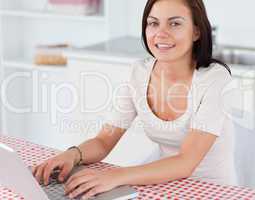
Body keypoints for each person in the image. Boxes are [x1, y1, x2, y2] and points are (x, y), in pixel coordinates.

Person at [32, 0, 237, 199]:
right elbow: (104, 140)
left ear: (196, 31)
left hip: (214, 189)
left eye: (175, 23)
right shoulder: (138, 73)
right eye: (153, 23)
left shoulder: (215, 79)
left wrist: (116, 176)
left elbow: (186, 162)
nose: (161, 33)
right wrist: (73, 154)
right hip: (165, 185)